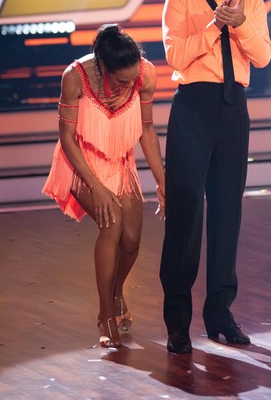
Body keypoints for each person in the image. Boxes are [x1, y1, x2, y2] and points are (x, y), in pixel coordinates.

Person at [159, 0, 271, 354]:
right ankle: (177, 321)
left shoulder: (251, 0)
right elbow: (175, 56)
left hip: (233, 106)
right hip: (192, 106)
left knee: (228, 212)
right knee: (186, 214)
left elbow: (261, 56)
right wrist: (212, 25)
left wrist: (241, 25)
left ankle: (221, 313)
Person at [43, 24, 166, 349]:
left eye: (134, 77)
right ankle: (105, 314)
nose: (131, 84)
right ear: (104, 68)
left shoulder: (145, 74)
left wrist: (162, 179)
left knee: (132, 240)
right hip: (80, 164)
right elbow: (67, 139)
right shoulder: (75, 77)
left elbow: (147, 129)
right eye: (123, 80)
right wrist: (96, 188)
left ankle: (116, 291)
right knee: (111, 226)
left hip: (119, 162)